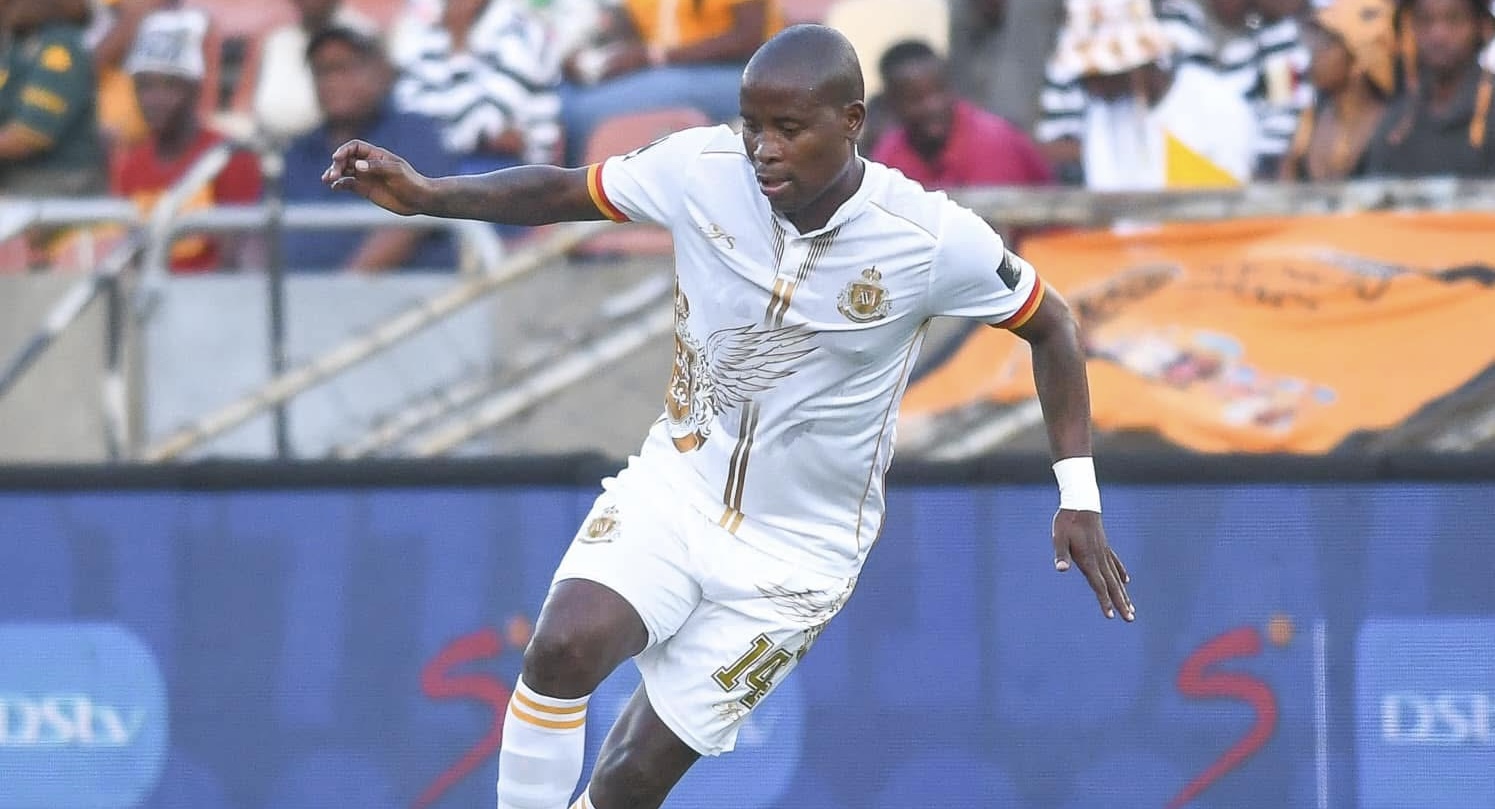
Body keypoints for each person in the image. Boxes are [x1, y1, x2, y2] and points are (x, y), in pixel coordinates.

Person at [323, 23, 1134, 809]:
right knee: (562, 646)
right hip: (677, 487)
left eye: (788, 128)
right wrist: (430, 194)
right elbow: (564, 189)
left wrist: (1078, 494)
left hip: (797, 555)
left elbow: (1053, 325)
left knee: (629, 781)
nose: (762, 149)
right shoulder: (700, 168)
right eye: (752, 125)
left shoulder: (928, 237)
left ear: (851, 121)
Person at [286, 25, 457, 272]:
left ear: (381, 72)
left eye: (345, 68)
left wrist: (340, 287)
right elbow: (258, 232)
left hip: (405, 293)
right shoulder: (298, 151)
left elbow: (413, 220)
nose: (333, 82)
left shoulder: (416, 134)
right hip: (293, 291)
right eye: (322, 71)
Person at [111, 7, 262, 272]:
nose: (153, 100)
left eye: (169, 86)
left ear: (193, 89)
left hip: (210, 292)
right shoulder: (130, 166)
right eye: (144, 86)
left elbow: (237, 254)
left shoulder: (230, 157)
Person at [870, 39, 1053, 191]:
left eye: (939, 91)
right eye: (916, 99)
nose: (933, 106)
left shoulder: (993, 142)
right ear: (891, 104)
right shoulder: (889, 156)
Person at [1364, 0, 1495, 176]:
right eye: (1425, 20)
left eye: (1454, 20)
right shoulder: (1397, 121)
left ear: (1482, 27)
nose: (1438, 35)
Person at [1282, 0, 1398, 181]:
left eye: (1327, 44)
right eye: (1316, 42)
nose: (1316, 53)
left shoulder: (1395, 128)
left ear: (1358, 61)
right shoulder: (1309, 121)